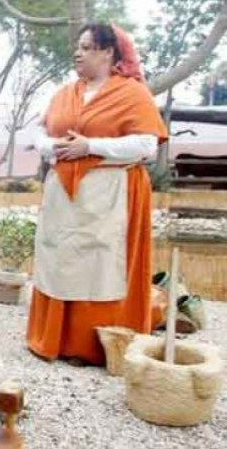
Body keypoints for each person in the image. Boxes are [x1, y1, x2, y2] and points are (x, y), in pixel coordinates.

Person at [27, 23, 168, 366]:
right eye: (78, 46)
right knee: (60, 261)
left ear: (108, 53)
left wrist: (91, 146)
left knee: (101, 265)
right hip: (64, 193)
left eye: (88, 47)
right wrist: (50, 145)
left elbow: (147, 144)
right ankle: (55, 339)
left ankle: (94, 345)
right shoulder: (65, 93)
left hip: (110, 192)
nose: (78, 53)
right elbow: (36, 130)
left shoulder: (132, 94)